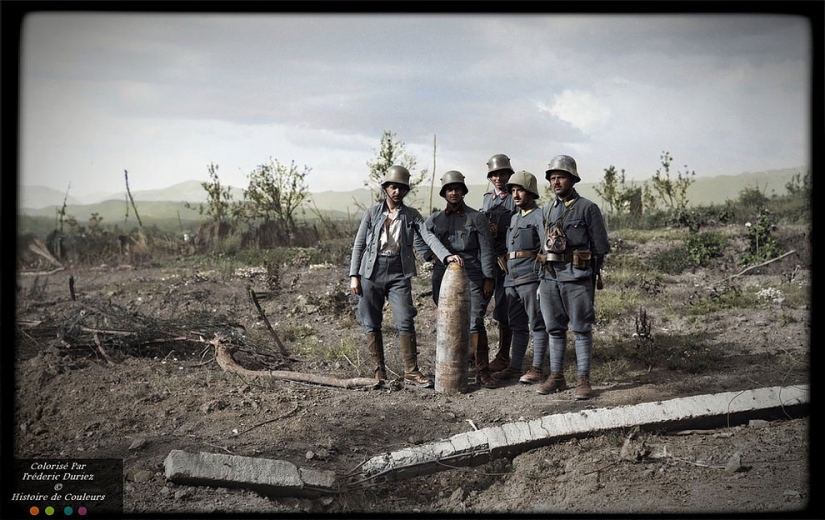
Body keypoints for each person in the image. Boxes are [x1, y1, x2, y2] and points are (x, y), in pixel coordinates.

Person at [349, 165, 462, 388]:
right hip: (370, 272)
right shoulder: (372, 213)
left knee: (405, 319)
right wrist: (354, 275)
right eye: (393, 187)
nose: (397, 192)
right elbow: (359, 245)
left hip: (399, 273)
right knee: (371, 322)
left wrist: (446, 256)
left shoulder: (411, 215)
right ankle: (378, 372)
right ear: (386, 189)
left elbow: (428, 237)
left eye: (401, 188)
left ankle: (411, 371)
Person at [414, 170, 498, 389]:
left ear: (463, 191)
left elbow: (487, 249)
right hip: (443, 277)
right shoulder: (435, 219)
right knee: (450, 322)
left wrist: (488, 277)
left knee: (475, 321)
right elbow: (419, 237)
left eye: (457, 189)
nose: (453, 193)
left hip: (472, 274)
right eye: (449, 189)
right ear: (444, 193)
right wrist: (432, 256)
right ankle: (457, 368)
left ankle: (482, 370)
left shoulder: (476, 218)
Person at [537, 155, 610, 399]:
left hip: (577, 277)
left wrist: (590, 272)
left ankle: (583, 380)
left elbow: (600, 246)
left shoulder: (587, 208)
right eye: (553, 178)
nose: (556, 182)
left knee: (581, 329)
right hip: (549, 277)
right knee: (554, 329)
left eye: (561, 177)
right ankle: (557, 377)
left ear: (573, 179)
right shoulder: (546, 211)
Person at [491, 170, 550, 385]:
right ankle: (515, 367)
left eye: (520, 191)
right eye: (513, 191)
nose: (516, 195)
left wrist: (542, 278)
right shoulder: (514, 218)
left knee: (537, 322)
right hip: (511, 278)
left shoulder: (539, 215)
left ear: (531, 193)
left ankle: (537, 369)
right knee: (516, 324)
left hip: (530, 276)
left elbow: (546, 249)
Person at [481, 154, 517, 374]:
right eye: (494, 174)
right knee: (479, 305)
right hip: (488, 259)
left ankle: (504, 356)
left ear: (509, 175)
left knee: (504, 306)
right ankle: (476, 353)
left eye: (502, 173)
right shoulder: (487, 198)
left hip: (507, 260)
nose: (498, 178)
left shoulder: (515, 197)